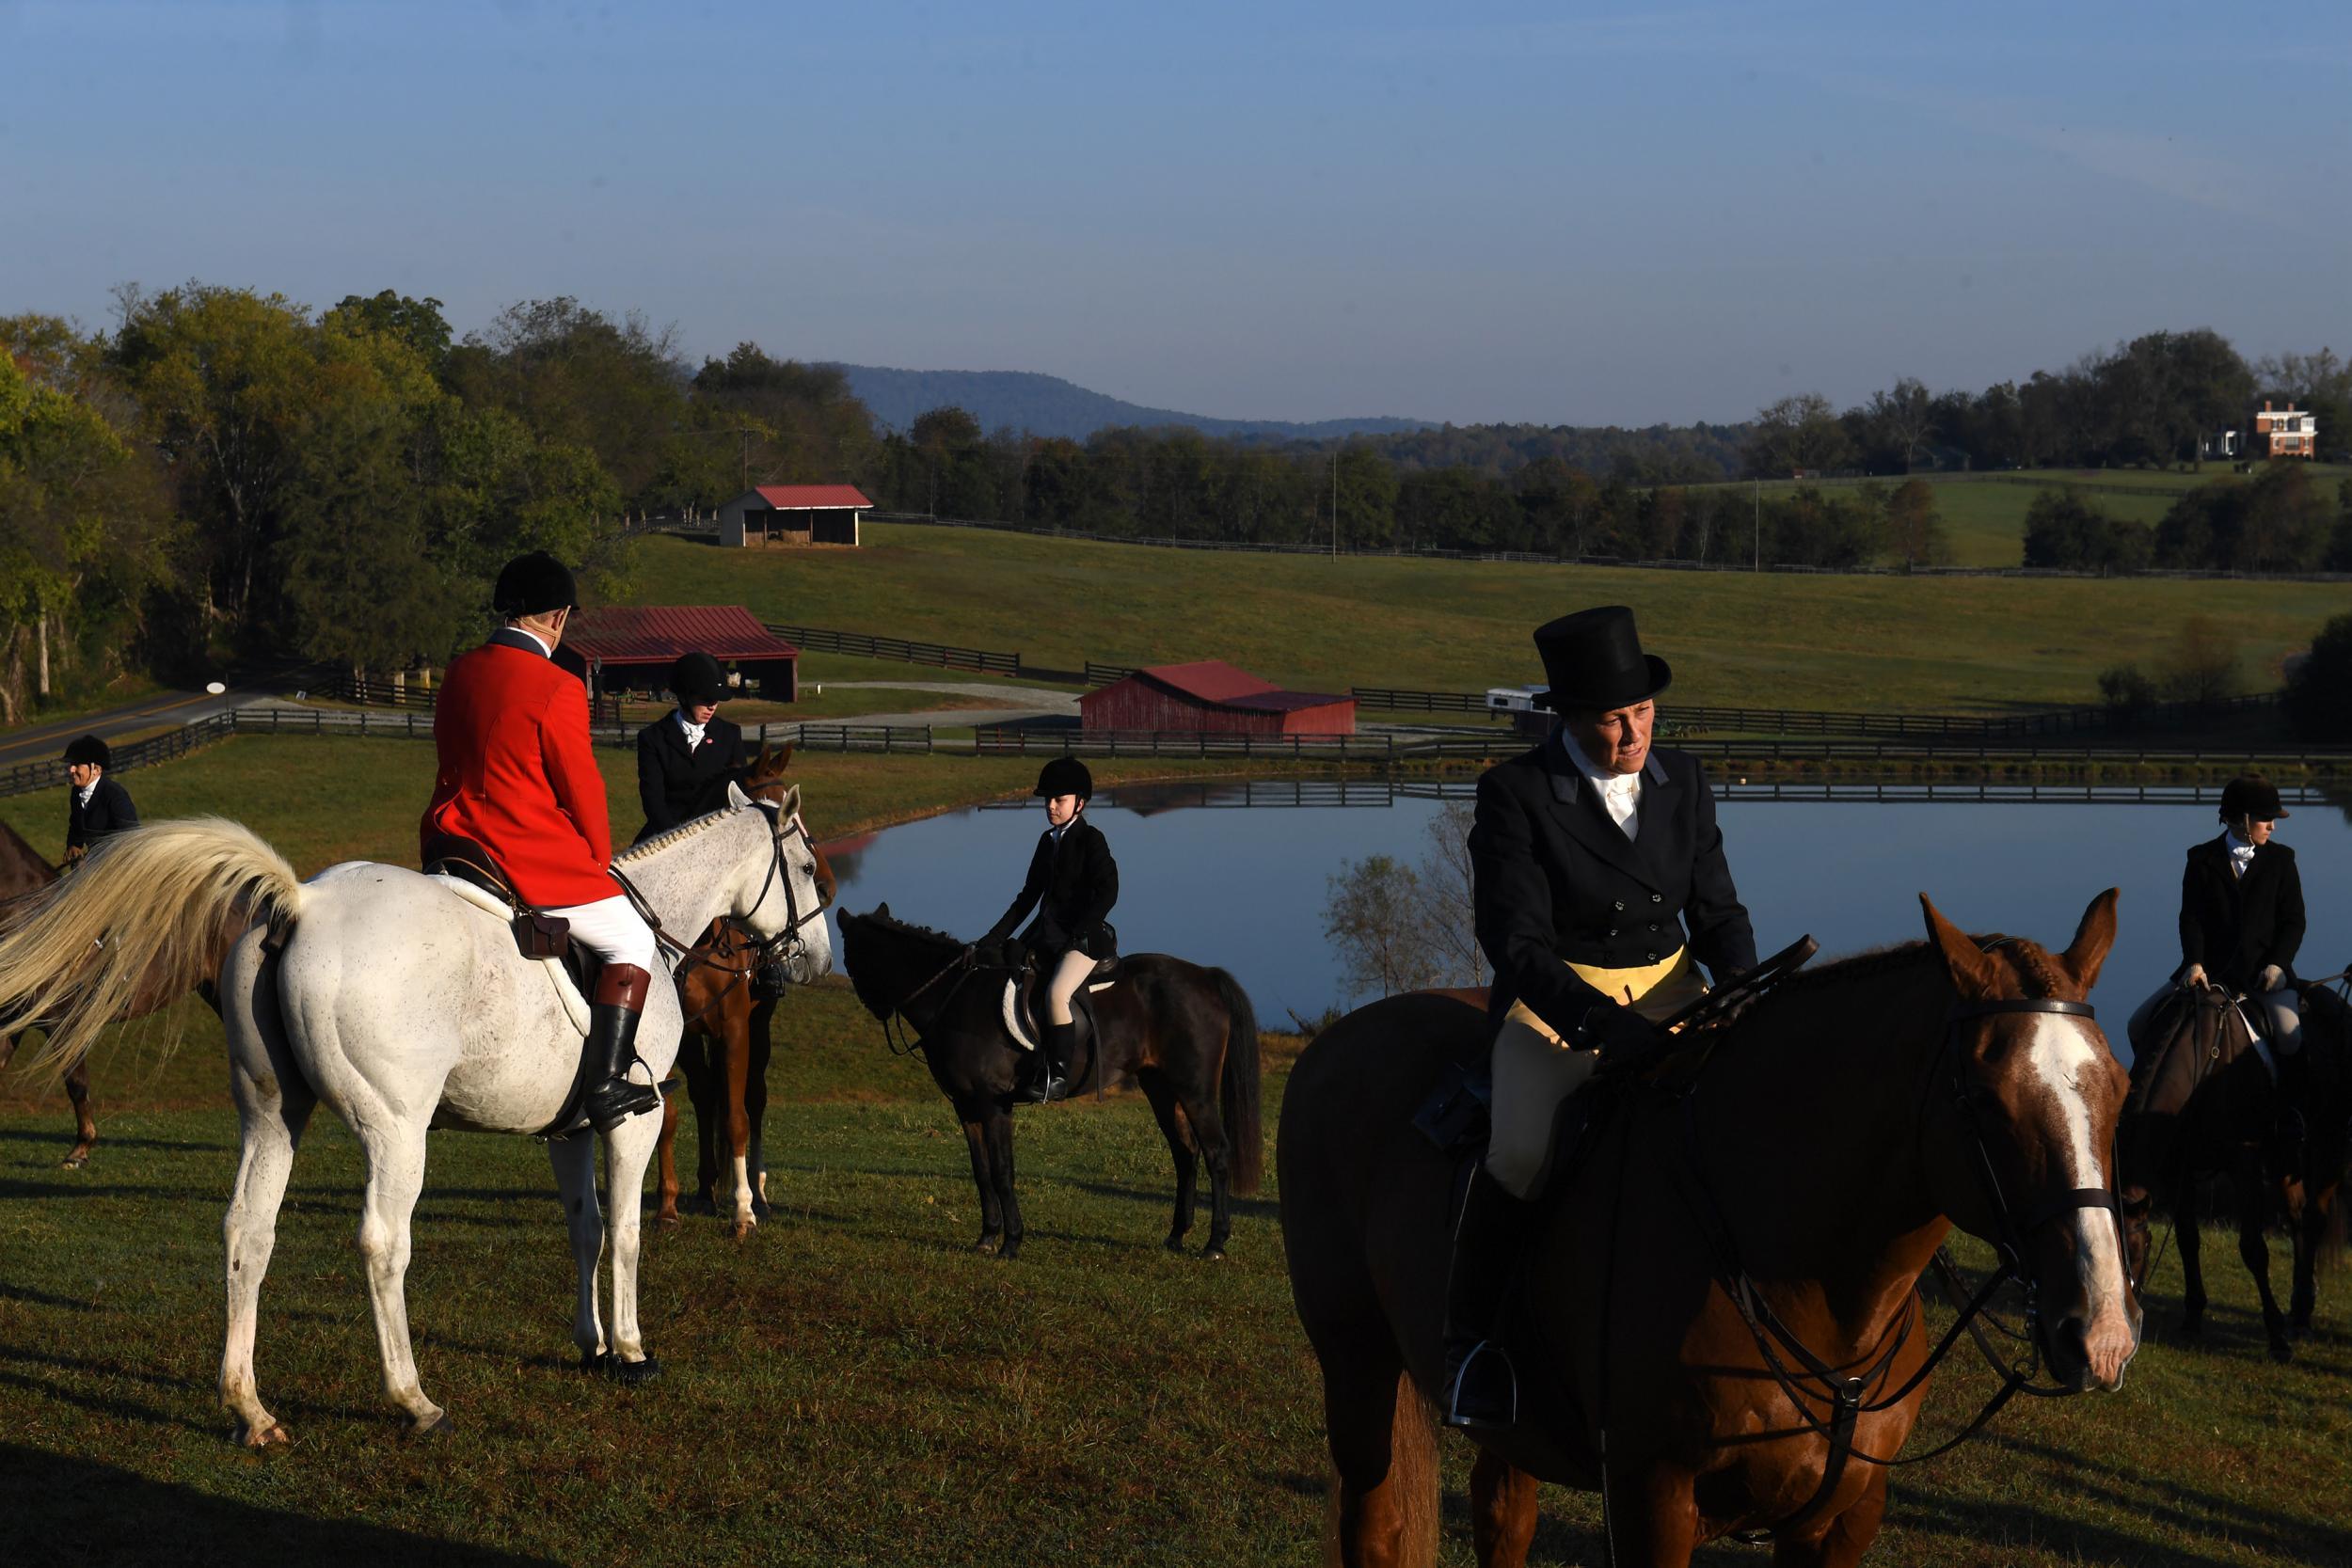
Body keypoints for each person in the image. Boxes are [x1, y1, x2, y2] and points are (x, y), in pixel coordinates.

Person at [1444, 604, 1756, 1432]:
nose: (1634, 732)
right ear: (1572, 720)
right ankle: (1473, 1344)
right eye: (1615, 719)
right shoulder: (1512, 794)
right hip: (1561, 1003)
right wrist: (1595, 1023)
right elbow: (1516, 942)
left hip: (1674, 990)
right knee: (1516, 1148)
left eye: (1644, 711)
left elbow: (1718, 910)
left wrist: (1748, 986)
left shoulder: (1684, 779)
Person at [420, 551, 661, 1132]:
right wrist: (597, 860)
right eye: (565, 618)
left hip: (451, 845)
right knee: (632, 934)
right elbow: (581, 787)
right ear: (554, 618)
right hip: (524, 854)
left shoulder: (459, 670)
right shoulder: (557, 685)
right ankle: (604, 1085)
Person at [2126, 774, 2307, 1148]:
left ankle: (2290, 1115)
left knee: (2290, 1036)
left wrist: (2277, 965)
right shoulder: (2201, 859)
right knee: (2138, 1024)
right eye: (2264, 818)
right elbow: (2190, 917)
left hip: (2263, 976)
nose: (2272, 826)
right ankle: (2138, 1112)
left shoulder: (2282, 860)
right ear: (2240, 820)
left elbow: (2294, 921)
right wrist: (2194, 962)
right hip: (2204, 973)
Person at [981, 756, 1118, 1102]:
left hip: (1084, 940)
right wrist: (992, 938)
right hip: (1048, 934)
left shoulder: (1092, 840)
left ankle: (1056, 1077)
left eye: (1059, 800)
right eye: (1048, 800)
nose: (1051, 806)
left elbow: (1109, 890)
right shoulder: (1047, 841)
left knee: (1057, 993)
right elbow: (1028, 897)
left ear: (1080, 803)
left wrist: (1081, 929)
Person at [635, 651, 744, 842]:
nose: (712, 706)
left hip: (718, 834)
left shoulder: (730, 734)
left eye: (716, 700)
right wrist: (677, 840)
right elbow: (653, 801)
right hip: (668, 835)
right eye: (706, 699)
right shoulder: (652, 738)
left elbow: (740, 793)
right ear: (684, 697)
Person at [62, 735, 139, 867]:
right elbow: (75, 824)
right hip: (96, 860)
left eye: (77, 764)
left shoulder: (115, 795)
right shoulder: (76, 792)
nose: (71, 769)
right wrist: (74, 844)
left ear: (96, 770)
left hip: (120, 863)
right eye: (71, 764)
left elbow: (131, 836)